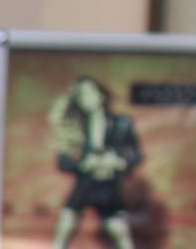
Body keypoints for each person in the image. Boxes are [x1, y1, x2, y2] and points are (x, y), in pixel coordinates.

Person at [48, 76, 142, 249]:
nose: (86, 98)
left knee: (120, 232)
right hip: (85, 184)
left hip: (108, 185)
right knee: (64, 229)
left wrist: (118, 161)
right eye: (81, 95)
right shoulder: (73, 128)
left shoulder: (121, 124)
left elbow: (136, 155)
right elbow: (62, 162)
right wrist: (83, 163)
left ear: (101, 95)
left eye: (90, 92)